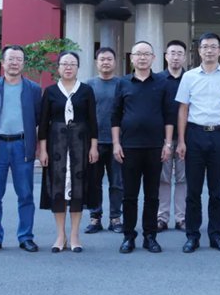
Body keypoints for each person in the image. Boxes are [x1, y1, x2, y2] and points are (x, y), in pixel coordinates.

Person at [176, 33, 220, 253]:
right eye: (205, 47)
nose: (209, 50)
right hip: (194, 135)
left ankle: (216, 236)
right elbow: (183, 109)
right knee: (193, 191)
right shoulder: (189, 77)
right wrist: (181, 140)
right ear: (199, 51)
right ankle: (192, 236)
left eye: (213, 47)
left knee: (216, 190)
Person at [0, 45, 42, 254]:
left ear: (24, 64)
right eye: (11, 59)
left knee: (26, 195)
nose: (15, 63)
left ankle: (26, 237)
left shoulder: (33, 89)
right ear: (3, 63)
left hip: (22, 146)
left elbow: (38, 118)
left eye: (19, 59)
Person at [113, 41, 175, 254]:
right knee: (129, 195)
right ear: (131, 58)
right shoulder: (123, 83)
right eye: (138, 54)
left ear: (153, 58)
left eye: (146, 54)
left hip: (155, 147)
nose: (142, 57)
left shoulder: (162, 83)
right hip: (129, 147)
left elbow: (169, 115)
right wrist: (116, 144)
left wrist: (168, 144)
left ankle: (150, 236)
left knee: (152, 195)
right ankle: (128, 236)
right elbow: (115, 116)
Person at [38, 52, 99, 253]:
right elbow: (43, 123)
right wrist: (43, 150)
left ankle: (74, 235)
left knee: (78, 187)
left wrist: (94, 146)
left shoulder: (86, 90)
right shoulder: (50, 91)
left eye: (72, 64)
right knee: (58, 189)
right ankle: (60, 235)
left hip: (80, 145)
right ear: (58, 67)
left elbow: (93, 121)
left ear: (78, 67)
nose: (68, 67)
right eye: (64, 64)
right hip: (56, 146)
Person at [84, 47, 124, 235]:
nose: (106, 62)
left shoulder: (122, 84)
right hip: (94, 143)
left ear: (115, 62)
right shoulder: (88, 86)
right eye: (102, 59)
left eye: (109, 59)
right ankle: (95, 217)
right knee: (94, 182)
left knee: (117, 183)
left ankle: (115, 218)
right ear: (96, 62)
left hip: (118, 142)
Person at [158, 40, 187, 232]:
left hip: (187, 137)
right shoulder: (158, 79)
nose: (175, 57)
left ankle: (181, 218)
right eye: (172, 53)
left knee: (183, 178)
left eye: (179, 53)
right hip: (162, 137)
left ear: (184, 57)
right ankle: (162, 217)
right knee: (163, 178)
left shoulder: (191, 78)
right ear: (166, 56)